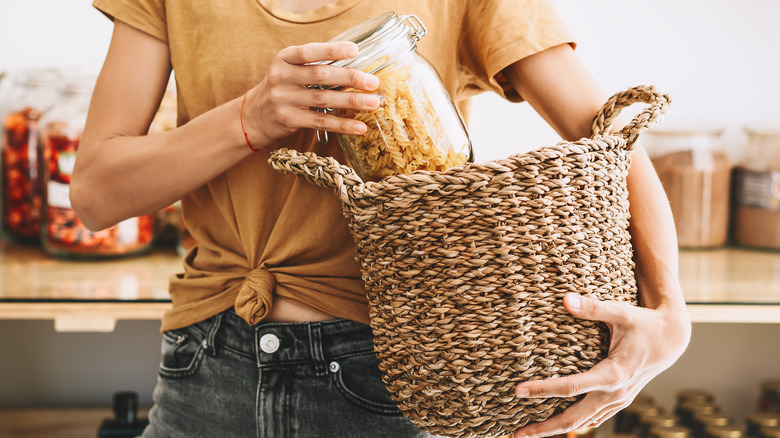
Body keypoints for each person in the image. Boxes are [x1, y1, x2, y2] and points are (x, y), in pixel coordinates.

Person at [71, 0, 691, 437]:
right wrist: (250, 120)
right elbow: (96, 193)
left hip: (397, 370)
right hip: (208, 363)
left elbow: (610, 136)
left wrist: (669, 313)